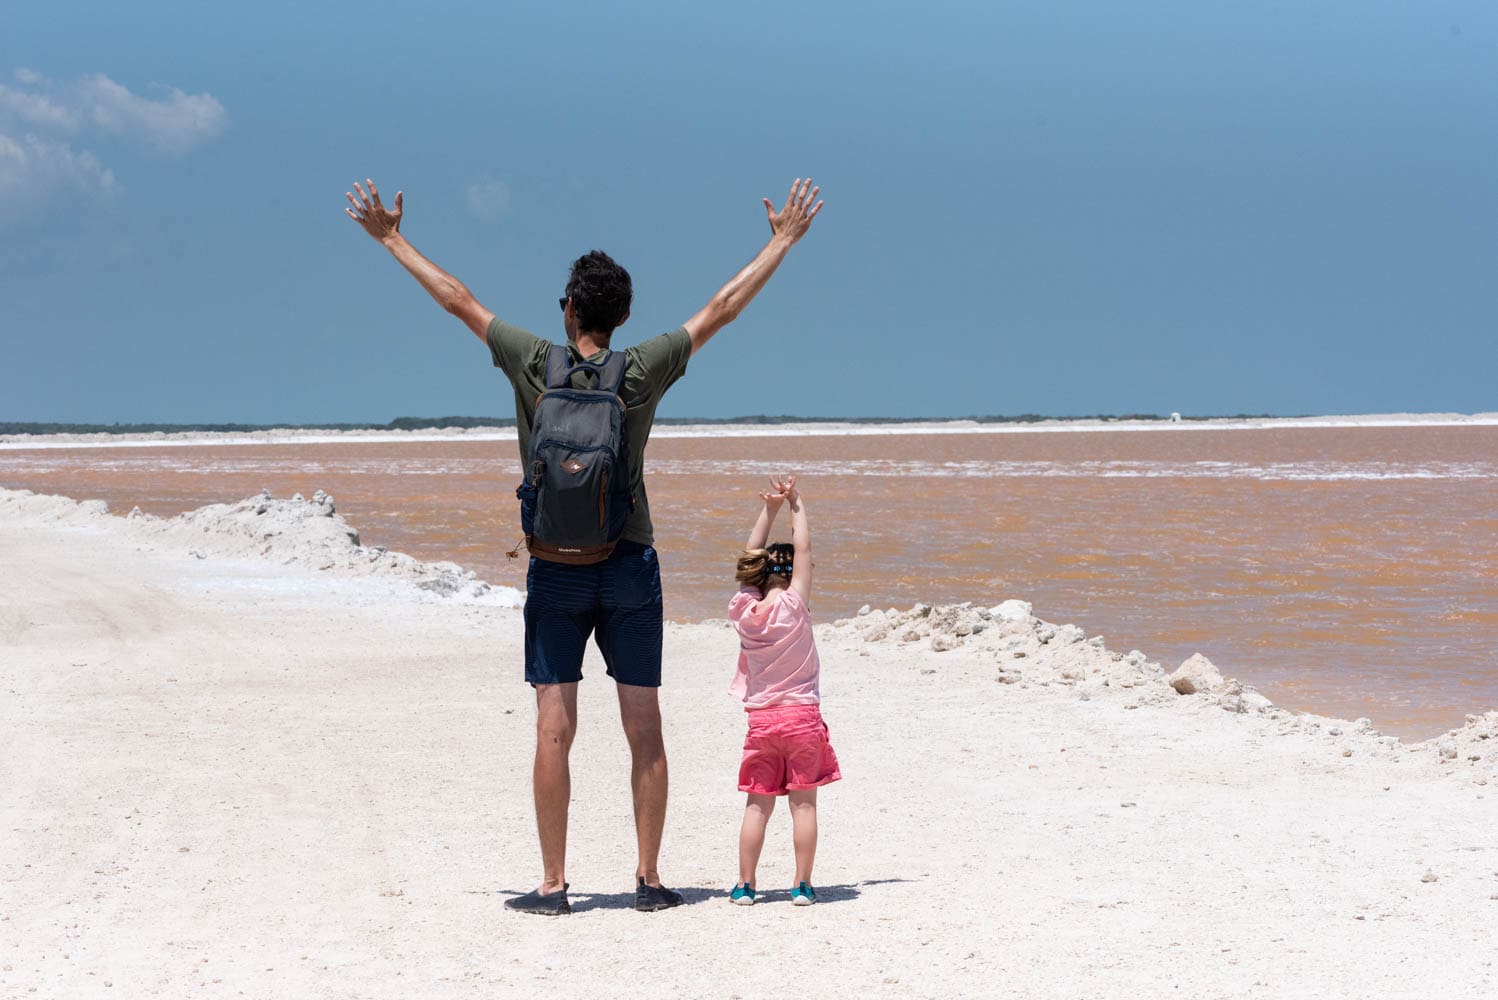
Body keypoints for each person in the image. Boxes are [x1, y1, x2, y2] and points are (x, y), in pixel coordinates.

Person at [344, 176, 824, 915]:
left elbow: (456, 299)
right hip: (629, 562)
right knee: (644, 727)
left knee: (554, 725)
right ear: (625, 314)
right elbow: (721, 310)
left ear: (567, 308)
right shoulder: (642, 369)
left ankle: (554, 884)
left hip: (554, 570)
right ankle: (650, 880)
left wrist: (390, 237)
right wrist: (782, 241)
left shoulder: (532, 360)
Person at [727, 475, 840, 906]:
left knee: (757, 807)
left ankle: (745, 886)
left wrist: (769, 509)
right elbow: (805, 549)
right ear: (794, 574)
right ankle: (802, 885)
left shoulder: (744, 610)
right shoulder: (795, 604)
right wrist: (796, 503)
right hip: (801, 718)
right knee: (804, 807)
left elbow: (749, 556)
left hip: (761, 721)